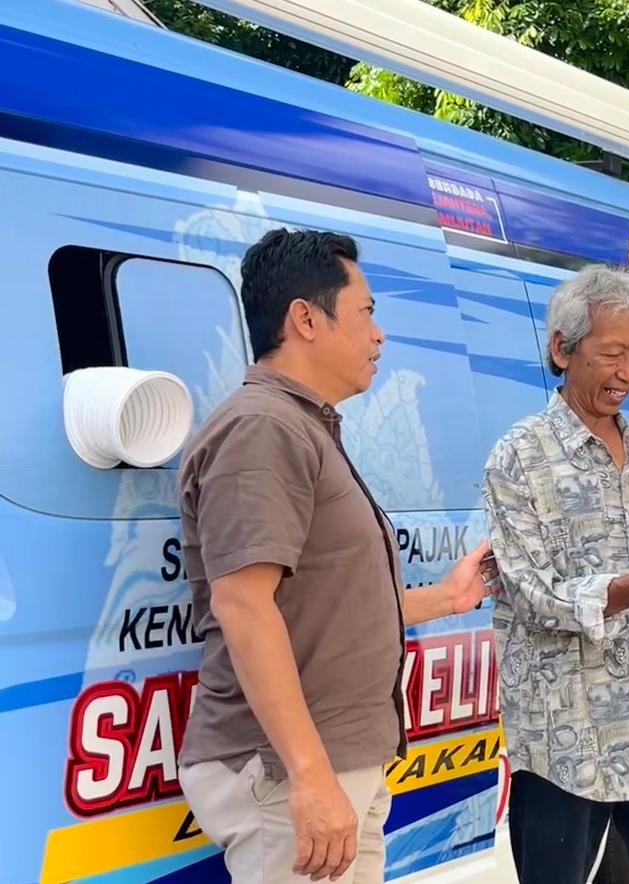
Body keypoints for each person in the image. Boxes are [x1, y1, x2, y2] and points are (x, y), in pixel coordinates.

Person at [176, 228, 497, 884]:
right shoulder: (263, 429)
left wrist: (449, 598)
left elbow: (324, 606)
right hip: (288, 773)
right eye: (367, 313)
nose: (379, 336)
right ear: (305, 319)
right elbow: (242, 603)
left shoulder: (300, 426)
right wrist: (310, 776)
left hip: (328, 762)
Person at [481, 265, 629, 884]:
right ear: (563, 350)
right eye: (612, 354)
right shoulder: (520, 455)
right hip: (567, 733)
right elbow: (530, 593)